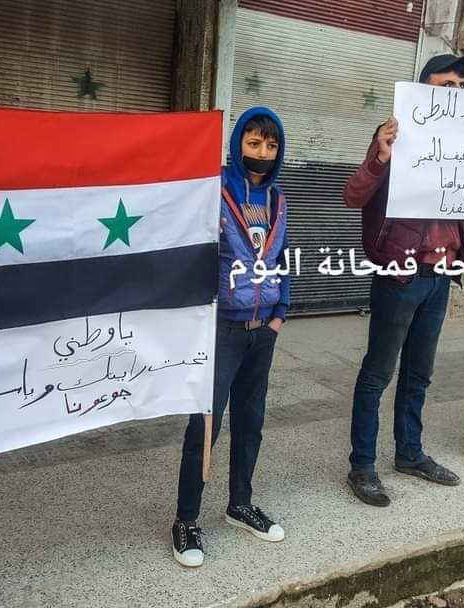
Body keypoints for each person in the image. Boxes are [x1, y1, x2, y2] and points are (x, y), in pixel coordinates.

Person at [341, 54, 464, 507]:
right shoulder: (394, 135)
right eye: (446, 83)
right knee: (378, 372)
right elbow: (352, 196)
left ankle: (410, 453)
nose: (455, 91)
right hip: (399, 273)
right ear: (422, 89)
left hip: (441, 274)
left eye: (462, 85)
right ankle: (362, 466)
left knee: (420, 373)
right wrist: (380, 157)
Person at [171, 107, 289, 567]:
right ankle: (185, 519)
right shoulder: (212, 191)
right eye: (254, 143)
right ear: (238, 142)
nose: (262, 153)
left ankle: (241, 503)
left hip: (264, 331)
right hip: (220, 330)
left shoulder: (278, 199)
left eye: (271, 145)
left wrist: (280, 313)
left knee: (250, 422)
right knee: (204, 426)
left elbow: (281, 258)